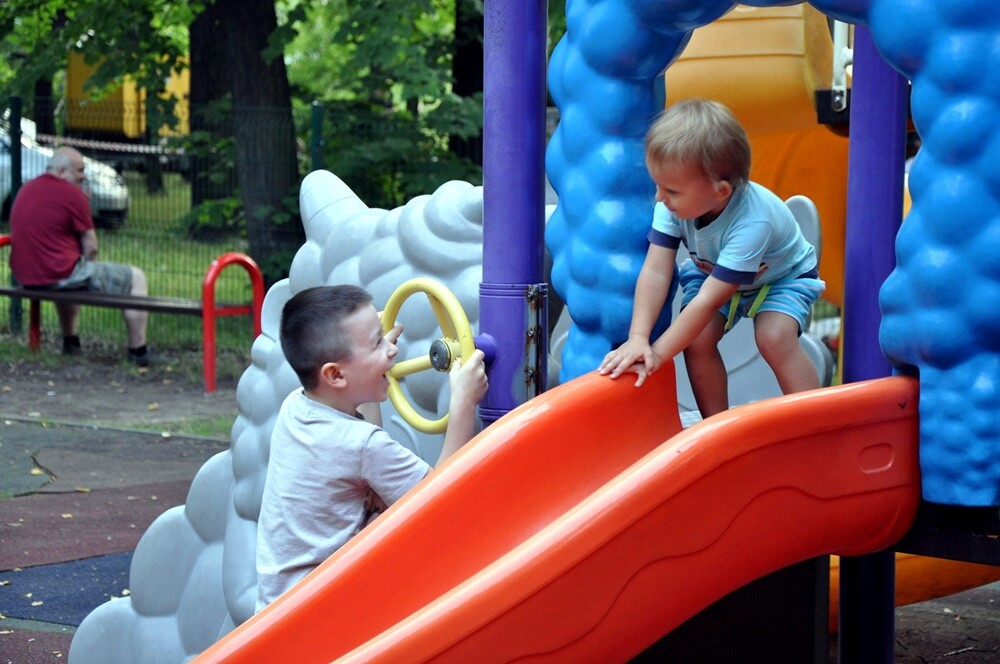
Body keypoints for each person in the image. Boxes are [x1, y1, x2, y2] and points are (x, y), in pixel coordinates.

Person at [255, 284, 488, 610]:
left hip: (277, 605)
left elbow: (357, 443)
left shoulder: (296, 407)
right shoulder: (364, 446)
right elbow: (438, 501)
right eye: (378, 343)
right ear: (335, 375)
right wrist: (463, 403)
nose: (392, 351)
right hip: (325, 614)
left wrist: (371, 361)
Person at [598, 99, 825, 418]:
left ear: (720, 192)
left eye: (671, 191)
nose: (659, 198)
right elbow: (656, 269)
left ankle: (815, 420)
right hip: (711, 269)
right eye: (658, 185)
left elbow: (707, 302)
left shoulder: (753, 222)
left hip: (780, 278)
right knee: (698, 340)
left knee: (773, 337)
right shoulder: (671, 204)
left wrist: (655, 356)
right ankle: (715, 426)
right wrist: (638, 337)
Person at [8, 146, 155, 366]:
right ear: (61, 171)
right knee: (136, 278)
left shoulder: (25, 189)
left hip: (24, 277)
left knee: (68, 273)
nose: (83, 176)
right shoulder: (72, 194)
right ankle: (139, 351)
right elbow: (91, 245)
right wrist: (87, 266)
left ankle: (71, 342)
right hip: (56, 275)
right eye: (79, 170)